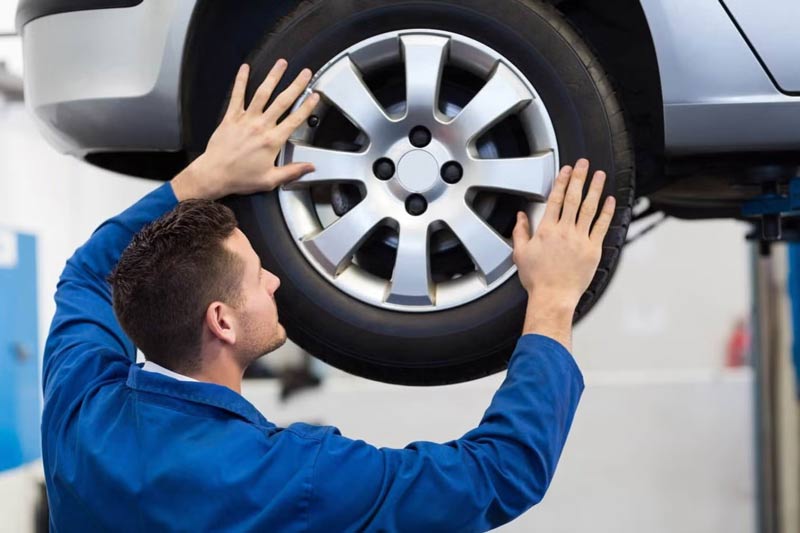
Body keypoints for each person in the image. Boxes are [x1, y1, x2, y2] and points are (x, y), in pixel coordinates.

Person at [41, 59, 616, 531]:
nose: (274, 281)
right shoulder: (290, 480)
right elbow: (495, 476)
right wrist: (553, 299)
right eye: (257, 276)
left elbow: (90, 277)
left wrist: (207, 177)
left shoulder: (80, 417)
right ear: (221, 321)